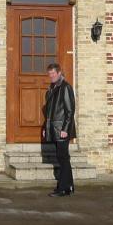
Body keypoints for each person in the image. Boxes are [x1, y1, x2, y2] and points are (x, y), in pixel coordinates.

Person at [43, 62, 76, 197]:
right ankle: (69, 186)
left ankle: (63, 188)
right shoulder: (52, 89)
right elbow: (50, 112)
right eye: (49, 74)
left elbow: (70, 110)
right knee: (63, 158)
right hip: (55, 128)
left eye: (53, 74)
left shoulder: (65, 88)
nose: (51, 76)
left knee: (63, 158)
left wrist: (65, 129)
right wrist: (46, 127)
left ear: (59, 73)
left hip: (62, 129)